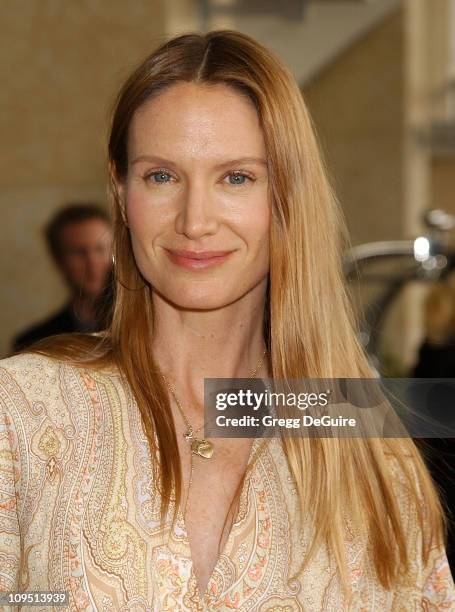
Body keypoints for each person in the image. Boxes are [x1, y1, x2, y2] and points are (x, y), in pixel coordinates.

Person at [0, 30, 454, 610]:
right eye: (161, 176)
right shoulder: (26, 411)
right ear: (120, 192)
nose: (195, 220)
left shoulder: (366, 444)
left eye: (236, 177)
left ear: (285, 195)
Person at [11, 204, 114, 353]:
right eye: (79, 252)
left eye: (100, 249)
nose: (93, 262)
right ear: (58, 260)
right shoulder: (36, 343)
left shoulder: (143, 326)